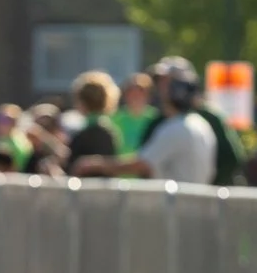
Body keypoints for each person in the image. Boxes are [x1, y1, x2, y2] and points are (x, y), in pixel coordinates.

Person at [75, 57, 216, 185]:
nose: (159, 90)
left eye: (165, 84)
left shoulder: (178, 127)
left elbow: (141, 164)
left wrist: (96, 164)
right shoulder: (198, 123)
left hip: (177, 203)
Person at [114, 73, 156, 157]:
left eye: (140, 92)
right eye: (131, 92)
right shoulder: (115, 118)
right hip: (120, 163)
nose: (135, 96)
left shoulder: (155, 118)